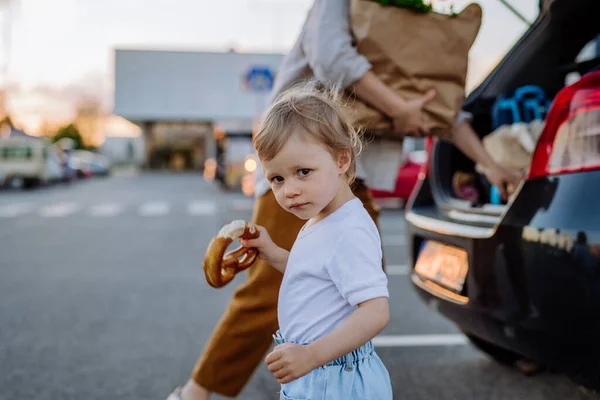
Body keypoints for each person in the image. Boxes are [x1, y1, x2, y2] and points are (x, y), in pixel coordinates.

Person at [168, 1, 521, 398]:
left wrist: (489, 163)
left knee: (353, 289)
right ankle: (198, 392)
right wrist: (273, 246)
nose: (287, 187)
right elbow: (333, 57)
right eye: (276, 181)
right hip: (302, 151)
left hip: (342, 181)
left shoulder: (406, 25)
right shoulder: (341, 6)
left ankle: (211, 391)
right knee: (272, 293)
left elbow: (439, 105)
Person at [242, 81, 392, 399]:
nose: (289, 189)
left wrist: (312, 356)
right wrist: (272, 253)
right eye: (277, 179)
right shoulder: (323, 217)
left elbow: (376, 311)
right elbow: (316, 275)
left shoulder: (348, 231)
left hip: (336, 378)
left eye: (303, 171)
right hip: (320, 373)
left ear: (341, 161)